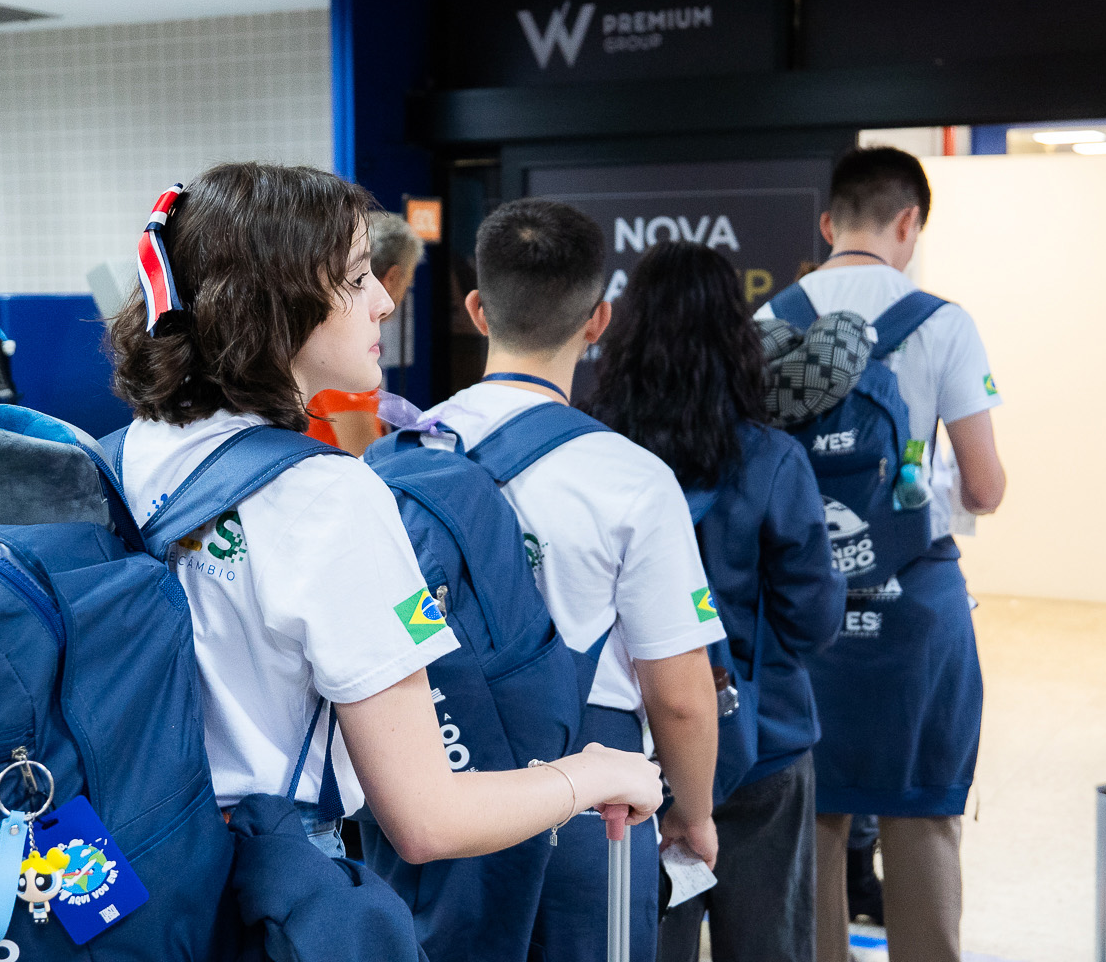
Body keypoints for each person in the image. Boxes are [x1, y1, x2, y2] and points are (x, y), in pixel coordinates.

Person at [106, 163, 663, 868]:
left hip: (137, 875)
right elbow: (429, 820)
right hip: (260, 887)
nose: (383, 303)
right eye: (356, 277)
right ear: (279, 301)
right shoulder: (327, 495)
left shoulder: (117, 456)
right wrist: (592, 774)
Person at [412, 199, 725, 962]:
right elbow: (681, 695)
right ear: (598, 319)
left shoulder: (402, 457)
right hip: (595, 801)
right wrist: (694, 810)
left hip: (427, 780)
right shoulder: (633, 479)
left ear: (478, 310)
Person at [754, 146, 1006, 962]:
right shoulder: (944, 322)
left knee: (813, 818)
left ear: (828, 224)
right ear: (909, 222)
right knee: (921, 815)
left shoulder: (766, 323)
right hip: (915, 614)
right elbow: (986, 487)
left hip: (800, 613)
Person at [584, 240, 846, 962]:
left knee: (645, 942)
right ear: (739, 338)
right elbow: (814, 619)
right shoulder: (773, 460)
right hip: (763, 741)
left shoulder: (595, 458)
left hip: (633, 750)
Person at [306, 211, 425, 454]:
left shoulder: (335, 339)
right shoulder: (343, 350)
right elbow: (367, 456)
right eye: (408, 283)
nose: (390, 303)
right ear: (392, 278)